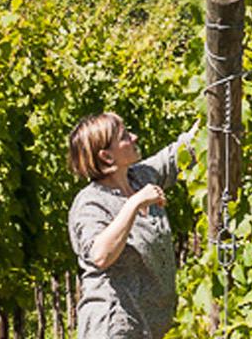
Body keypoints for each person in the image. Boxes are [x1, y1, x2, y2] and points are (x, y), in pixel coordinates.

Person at [66, 113, 193, 339]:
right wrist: (134, 203)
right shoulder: (91, 203)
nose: (134, 137)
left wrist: (223, 94)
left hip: (149, 328)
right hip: (112, 328)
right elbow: (100, 256)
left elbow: (178, 154)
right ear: (106, 156)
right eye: (124, 137)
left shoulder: (140, 177)